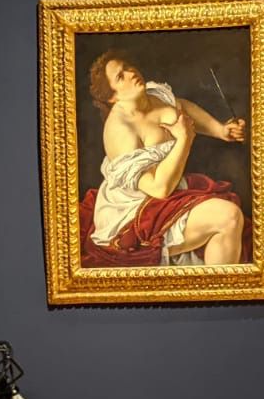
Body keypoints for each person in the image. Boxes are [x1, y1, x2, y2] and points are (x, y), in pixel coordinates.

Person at [79, 50, 250, 266]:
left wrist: (220, 130)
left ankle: (217, 289)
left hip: (172, 191)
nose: (132, 74)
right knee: (229, 217)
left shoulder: (152, 94)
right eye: (121, 77)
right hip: (138, 213)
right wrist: (184, 139)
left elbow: (181, 107)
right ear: (112, 97)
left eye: (128, 67)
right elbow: (158, 189)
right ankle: (218, 293)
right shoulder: (120, 131)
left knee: (231, 219)